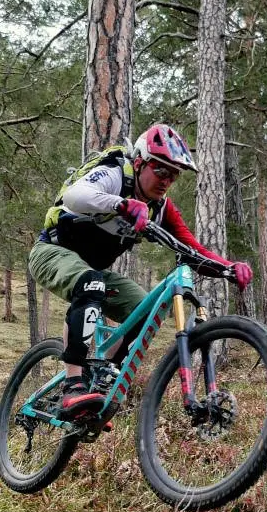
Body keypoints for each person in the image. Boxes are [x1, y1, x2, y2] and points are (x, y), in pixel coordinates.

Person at [28, 123, 253, 418]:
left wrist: (228, 268)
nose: (165, 180)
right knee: (90, 284)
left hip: (93, 270)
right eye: (160, 170)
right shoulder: (114, 174)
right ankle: (73, 384)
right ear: (140, 162)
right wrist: (120, 204)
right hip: (51, 253)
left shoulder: (161, 208)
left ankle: (100, 378)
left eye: (172, 175)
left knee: (146, 310)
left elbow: (191, 248)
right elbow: (75, 196)